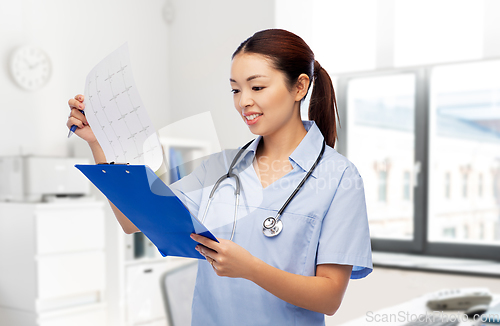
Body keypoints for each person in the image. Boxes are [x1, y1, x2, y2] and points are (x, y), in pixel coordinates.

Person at [67, 28, 372, 326]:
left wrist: (251, 268)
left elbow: (330, 297)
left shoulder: (339, 177)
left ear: (299, 87)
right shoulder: (223, 166)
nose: (243, 102)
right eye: (236, 90)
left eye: (257, 87)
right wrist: (99, 143)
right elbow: (132, 220)